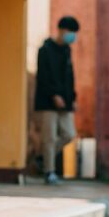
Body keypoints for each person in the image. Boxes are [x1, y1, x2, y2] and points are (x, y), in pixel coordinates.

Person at [34, 16, 79, 185]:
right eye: (71, 32)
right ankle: (49, 172)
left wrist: (72, 97)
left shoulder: (67, 50)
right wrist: (54, 95)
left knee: (69, 134)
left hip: (65, 102)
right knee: (49, 137)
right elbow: (43, 77)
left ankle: (41, 157)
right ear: (61, 30)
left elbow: (70, 76)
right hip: (47, 101)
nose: (73, 36)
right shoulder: (45, 50)